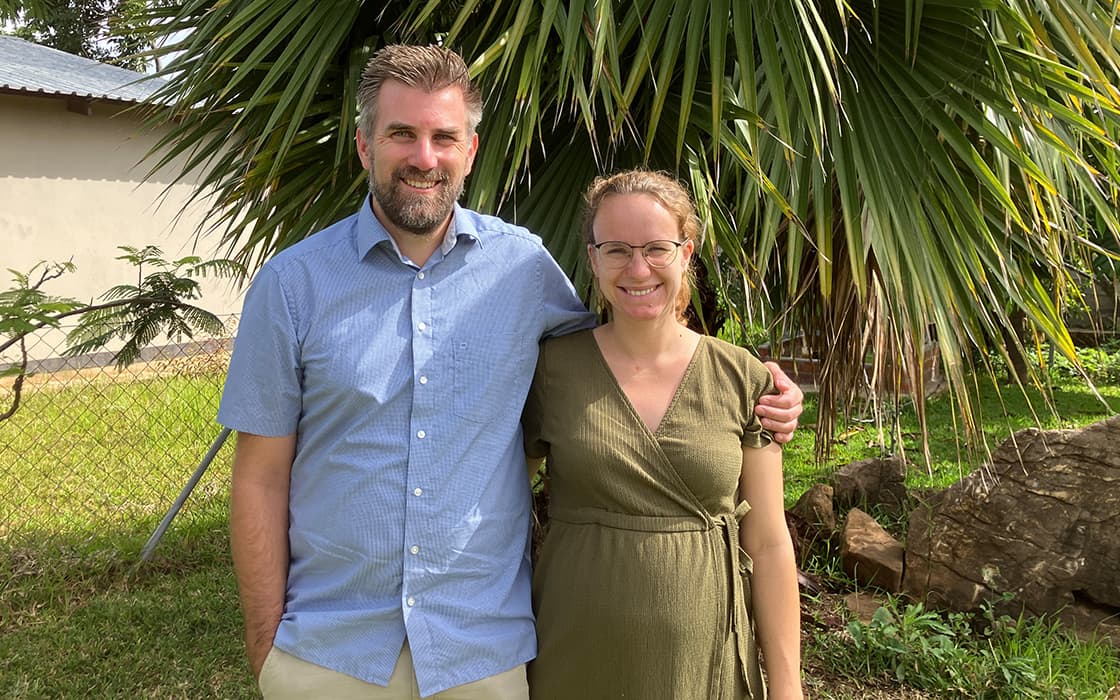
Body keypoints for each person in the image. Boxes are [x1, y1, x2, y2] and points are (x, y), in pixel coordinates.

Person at [218, 45, 804, 699]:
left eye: (445, 137)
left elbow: (631, 337)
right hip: (330, 653)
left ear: (470, 151)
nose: (424, 157)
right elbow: (261, 476)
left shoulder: (522, 269)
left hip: (482, 655)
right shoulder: (292, 286)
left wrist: (754, 383)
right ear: (364, 145)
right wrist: (266, 639)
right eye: (401, 134)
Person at [522, 169, 803, 699]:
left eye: (656, 248)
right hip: (572, 654)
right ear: (592, 259)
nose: (638, 268)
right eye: (617, 250)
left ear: (686, 253)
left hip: (705, 661)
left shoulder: (743, 377)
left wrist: (788, 688)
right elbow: (501, 508)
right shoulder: (551, 371)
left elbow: (767, 543)